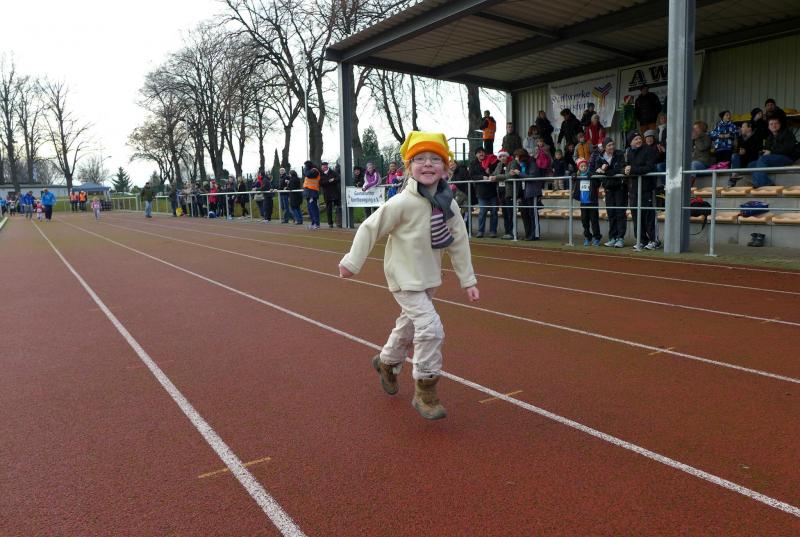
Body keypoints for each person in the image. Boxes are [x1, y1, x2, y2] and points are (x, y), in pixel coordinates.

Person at [338, 131, 479, 421]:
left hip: (428, 276)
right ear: (408, 167)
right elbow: (369, 228)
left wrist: (468, 280)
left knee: (409, 325)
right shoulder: (401, 202)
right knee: (430, 328)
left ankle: (387, 362)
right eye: (420, 159)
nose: (428, 164)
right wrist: (352, 262)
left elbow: (458, 241)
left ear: (446, 167)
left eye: (435, 159)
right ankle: (425, 389)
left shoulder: (448, 203)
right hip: (403, 277)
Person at [624, 131, 658, 251]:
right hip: (634, 189)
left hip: (647, 188)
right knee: (636, 216)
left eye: (639, 138)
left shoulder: (648, 150)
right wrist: (625, 170)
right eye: (635, 139)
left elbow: (649, 167)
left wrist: (632, 170)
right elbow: (626, 166)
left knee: (648, 215)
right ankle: (641, 240)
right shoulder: (629, 152)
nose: (638, 140)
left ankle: (654, 240)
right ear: (630, 142)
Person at [591, 137, 625, 247]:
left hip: (619, 188)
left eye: (612, 144)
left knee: (620, 213)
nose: (611, 147)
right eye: (609, 145)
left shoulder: (619, 154)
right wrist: (600, 170)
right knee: (611, 214)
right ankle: (612, 237)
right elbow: (596, 171)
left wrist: (606, 171)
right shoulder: (599, 158)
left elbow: (621, 169)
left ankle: (620, 238)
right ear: (604, 147)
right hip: (608, 188)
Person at [748, 118, 798, 187]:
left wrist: (771, 152)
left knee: (763, 160)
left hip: (787, 157)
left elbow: (787, 149)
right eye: (771, 124)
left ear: (780, 125)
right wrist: (763, 153)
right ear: (768, 127)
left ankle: (765, 184)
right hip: (773, 158)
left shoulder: (787, 133)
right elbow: (767, 151)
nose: (774, 125)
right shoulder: (769, 138)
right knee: (751, 165)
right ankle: (763, 182)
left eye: (776, 123)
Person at [468, 147, 498, 238]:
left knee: (494, 212)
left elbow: (496, 173)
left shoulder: (492, 161)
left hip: (492, 191)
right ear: (476, 154)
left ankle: (493, 231)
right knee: (483, 212)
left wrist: (490, 172)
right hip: (481, 191)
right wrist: (482, 177)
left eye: (483, 152)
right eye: (479, 152)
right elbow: (472, 176)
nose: (481, 154)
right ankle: (480, 231)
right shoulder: (473, 164)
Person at [572, 157, 601, 246]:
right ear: (579, 168)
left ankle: (597, 238)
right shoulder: (578, 176)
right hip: (583, 203)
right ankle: (587, 237)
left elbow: (598, 183)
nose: (584, 167)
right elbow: (572, 179)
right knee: (585, 222)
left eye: (585, 166)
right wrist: (573, 175)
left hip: (592, 202)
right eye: (581, 166)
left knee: (594, 221)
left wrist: (592, 177)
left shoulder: (592, 174)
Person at [488, 148, 515, 239]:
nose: (502, 158)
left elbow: (510, 175)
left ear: (507, 156)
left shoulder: (512, 163)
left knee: (510, 212)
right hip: (501, 192)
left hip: (509, 191)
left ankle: (511, 232)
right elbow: (494, 174)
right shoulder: (499, 164)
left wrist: (496, 177)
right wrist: (491, 176)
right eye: (500, 156)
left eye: (504, 156)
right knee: (505, 213)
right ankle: (507, 232)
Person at [729, 121, 761, 185]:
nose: (741, 129)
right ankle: (734, 176)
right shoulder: (740, 138)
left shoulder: (757, 137)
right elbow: (736, 150)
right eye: (741, 127)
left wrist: (746, 151)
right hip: (742, 162)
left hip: (752, 161)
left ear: (749, 128)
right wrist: (739, 151)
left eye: (743, 127)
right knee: (735, 155)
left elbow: (758, 150)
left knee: (751, 164)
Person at [320, 162, 341, 228]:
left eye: (324, 167)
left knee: (338, 208)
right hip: (327, 194)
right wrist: (329, 181)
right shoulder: (321, 174)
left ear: (326, 167)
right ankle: (330, 223)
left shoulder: (333, 172)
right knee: (329, 209)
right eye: (322, 167)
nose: (323, 168)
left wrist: (333, 180)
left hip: (335, 193)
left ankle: (339, 222)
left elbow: (338, 179)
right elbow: (321, 183)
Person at [303, 160, 321, 230]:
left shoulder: (314, 170)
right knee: (310, 209)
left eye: (305, 166)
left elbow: (307, 174)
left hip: (312, 192)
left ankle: (316, 223)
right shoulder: (309, 170)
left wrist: (305, 169)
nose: (305, 167)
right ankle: (313, 223)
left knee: (313, 209)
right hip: (308, 192)